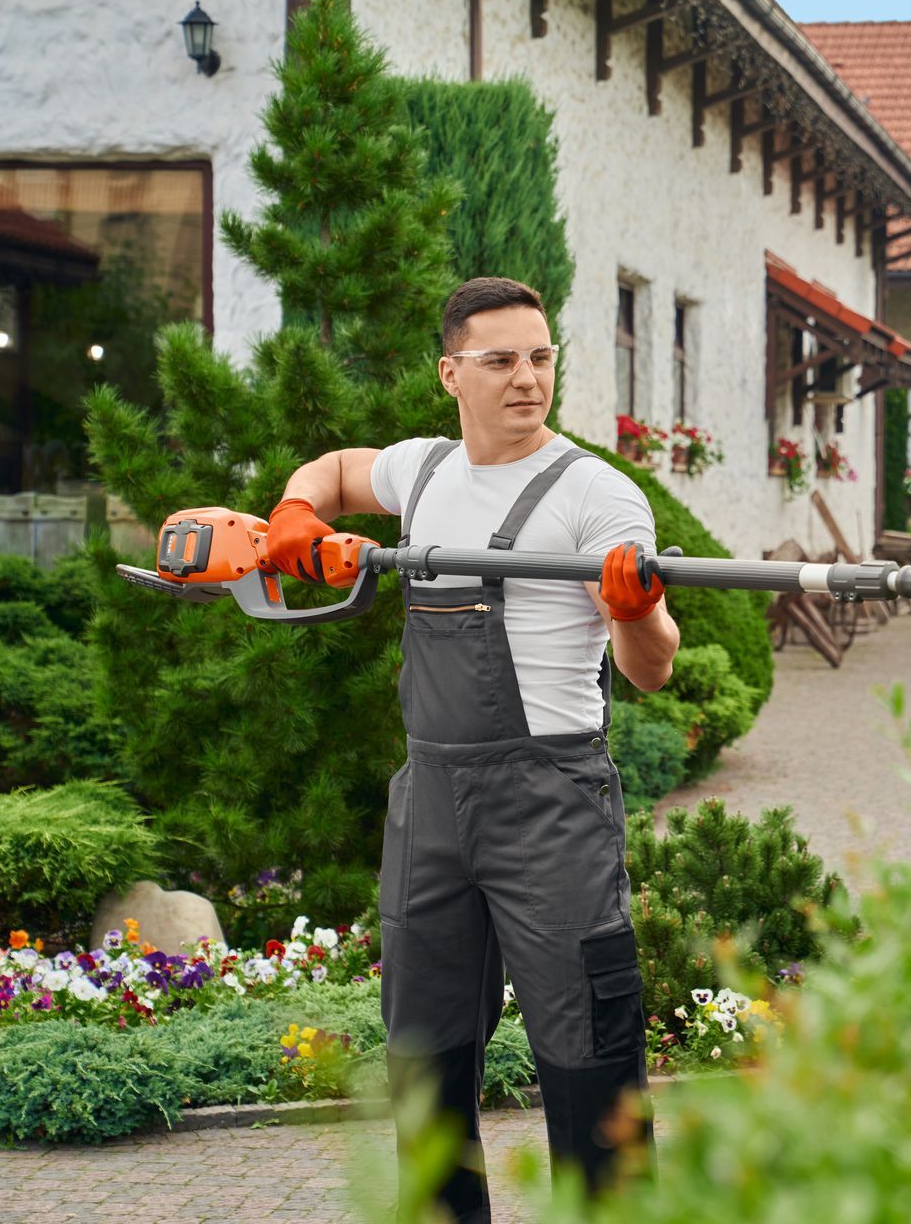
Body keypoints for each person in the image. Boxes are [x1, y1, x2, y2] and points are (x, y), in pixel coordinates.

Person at [262, 276, 679, 1221]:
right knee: (424, 1047)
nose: (527, 379)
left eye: (540, 357)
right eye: (500, 361)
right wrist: (296, 510)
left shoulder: (597, 494)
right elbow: (332, 468)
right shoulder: (424, 470)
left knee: (587, 1048)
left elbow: (650, 670)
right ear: (452, 372)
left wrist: (636, 608)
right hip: (432, 799)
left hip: (550, 803)